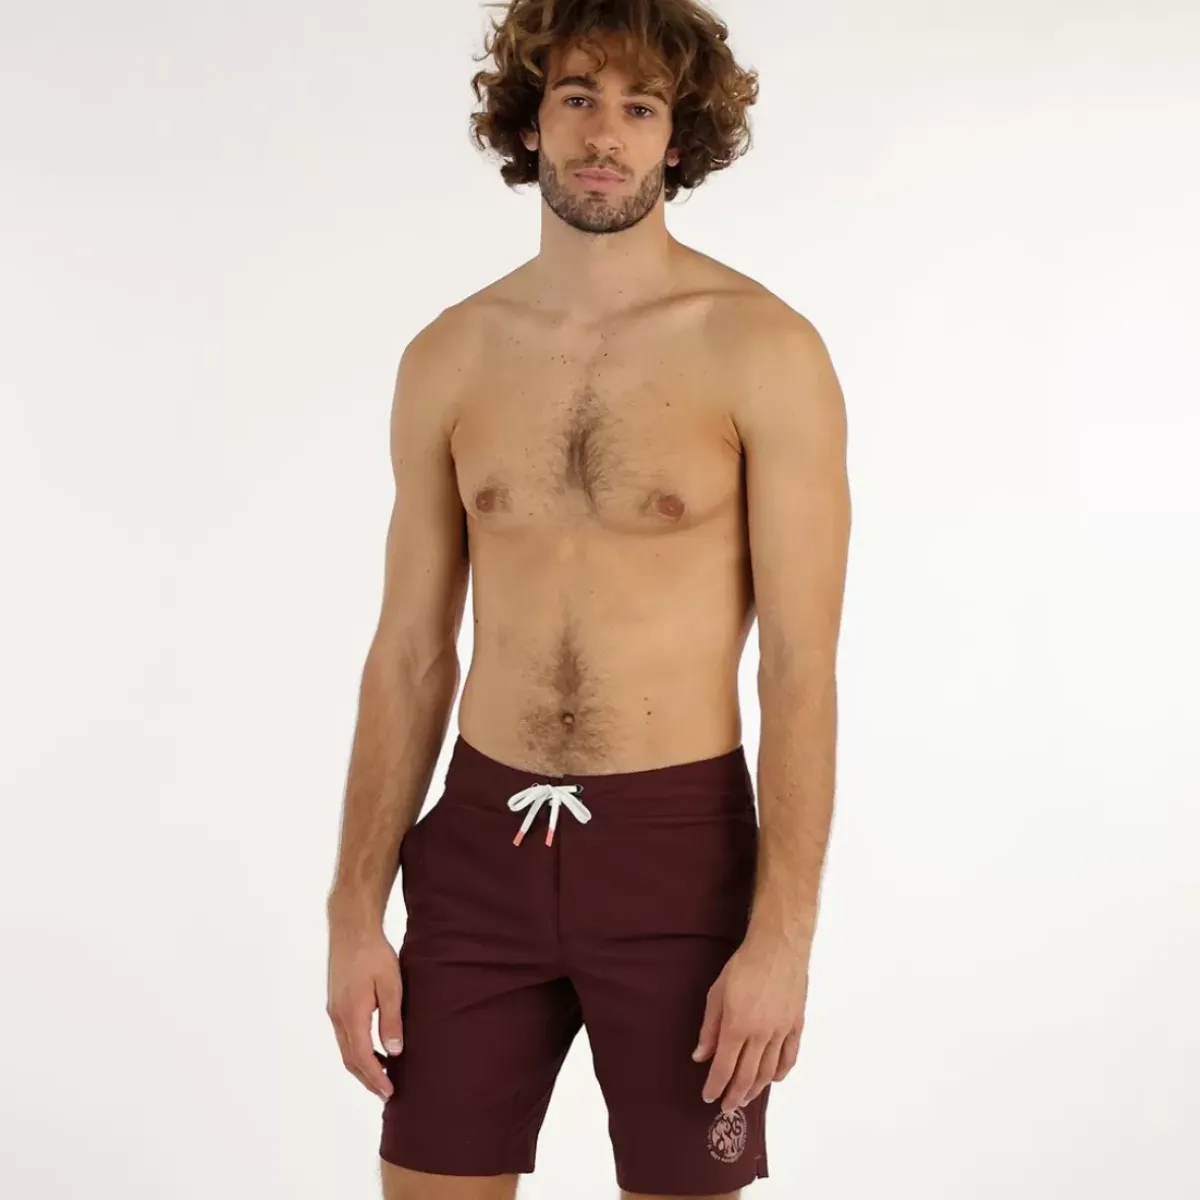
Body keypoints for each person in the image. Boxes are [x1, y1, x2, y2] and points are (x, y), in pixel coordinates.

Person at [325, 1, 851, 1197]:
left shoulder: (764, 350)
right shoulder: (451, 354)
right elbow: (409, 652)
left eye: (640, 105)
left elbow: (799, 670)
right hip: (477, 852)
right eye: (576, 97)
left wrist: (781, 939)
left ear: (680, 134)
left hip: (678, 859)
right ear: (530, 119)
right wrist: (354, 911)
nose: (604, 133)